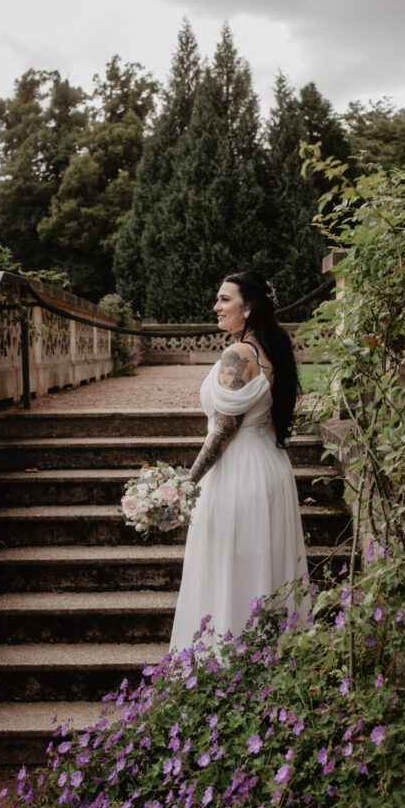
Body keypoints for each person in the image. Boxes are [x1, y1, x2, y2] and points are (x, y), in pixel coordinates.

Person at [169, 271, 309, 652]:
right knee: (262, 568)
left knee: (230, 571)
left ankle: (225, 666)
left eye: (224, 299)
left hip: (237, 474)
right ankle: (267, 664)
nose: (216, 306)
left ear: (248, 307)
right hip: (270, 466)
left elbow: (224, 430)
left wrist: (186, 482)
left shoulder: (238, 354)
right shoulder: (272, 349)